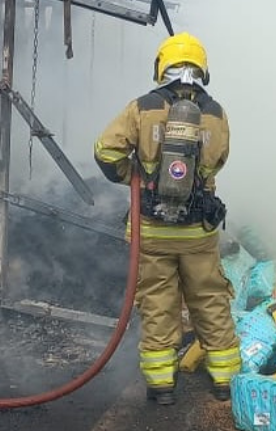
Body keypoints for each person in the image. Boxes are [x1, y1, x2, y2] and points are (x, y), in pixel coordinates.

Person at [93, 32, 240, 405]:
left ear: (162, 65)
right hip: (198, 231)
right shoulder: (216, 113)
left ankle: (161, 387)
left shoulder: (142, 108)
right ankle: (225, 381)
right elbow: (220, 159)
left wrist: (136, 178)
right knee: (209, 298)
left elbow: (106, 151)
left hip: (152, 229)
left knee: (158, 301)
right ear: (202, 69)